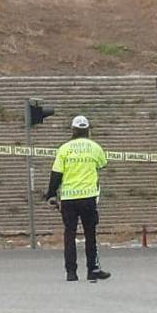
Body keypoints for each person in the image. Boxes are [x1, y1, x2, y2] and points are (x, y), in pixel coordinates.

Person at [44, 115, 111, 282]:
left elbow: (56, 174)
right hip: (88, 197)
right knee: (90, 234)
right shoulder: (94, 147)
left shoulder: (64, 149)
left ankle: (71, 272)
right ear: (88, 130)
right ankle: (92, 269)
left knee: (69, 234)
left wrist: (51, 194)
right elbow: (102, 164)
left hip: (68, 199)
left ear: (73, 130)